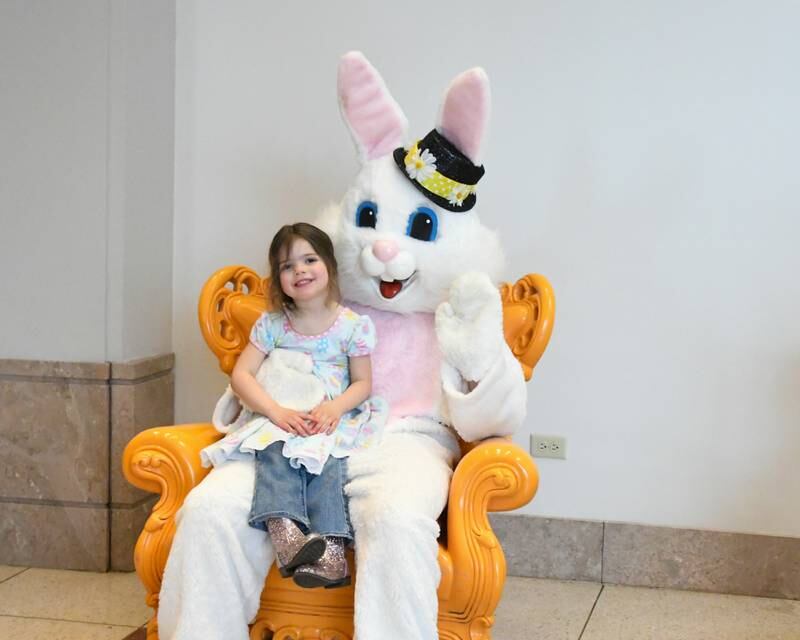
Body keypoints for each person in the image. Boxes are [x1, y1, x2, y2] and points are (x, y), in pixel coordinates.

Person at [201, 222, 386, 588]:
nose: (299, 270)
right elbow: (243, 376)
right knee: (274, 454)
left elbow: (364, 382)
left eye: (309, 259)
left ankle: (332, 550)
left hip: (326, 416)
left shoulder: (352, 326)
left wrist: (335, 410)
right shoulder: (272, 325)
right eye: (287, 266)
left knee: (327, 465)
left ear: (329, 266)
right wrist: (276, 411)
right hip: (283, 414)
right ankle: (287, 536)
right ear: (278, 279)